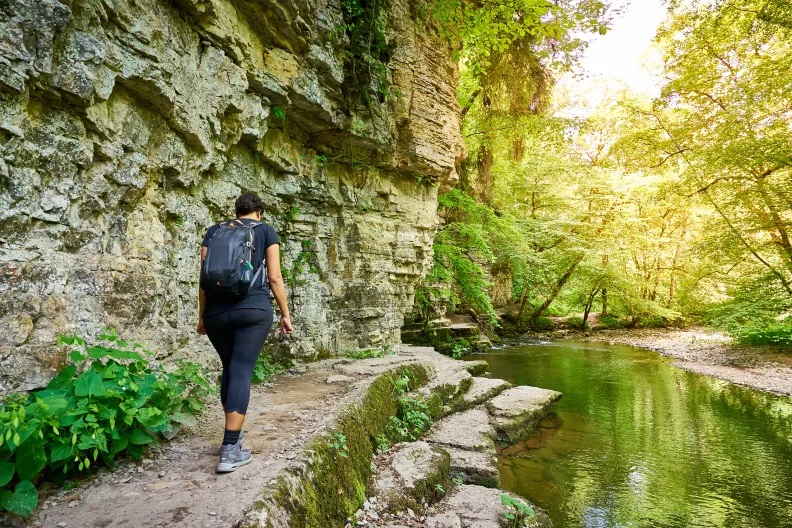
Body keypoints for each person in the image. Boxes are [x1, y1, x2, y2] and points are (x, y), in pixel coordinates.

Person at [197, 192, 294, 472]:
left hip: (216, 313)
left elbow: (204, 280)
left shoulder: (214, 231)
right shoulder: (265, 230)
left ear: (236, 211)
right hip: (253, 310)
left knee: (230, 368)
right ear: (259, 212)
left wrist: (202, 316)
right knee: (241, 370)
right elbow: (274, 276)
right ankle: (229, 450)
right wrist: (285, 315)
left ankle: (233, 438)